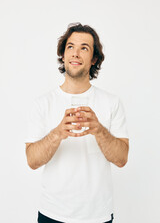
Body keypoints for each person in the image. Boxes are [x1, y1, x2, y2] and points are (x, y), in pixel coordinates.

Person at [25, 23, 129, 223]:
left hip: (98, 216)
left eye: (84, 48)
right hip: (52, 214)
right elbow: (32, 161)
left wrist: (99, 130)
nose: (75, 53)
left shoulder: (111, 102)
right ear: (63, 55)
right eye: (70, 47)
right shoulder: (42, 103)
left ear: (94, 59)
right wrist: (58, 133)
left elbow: (121, 159)